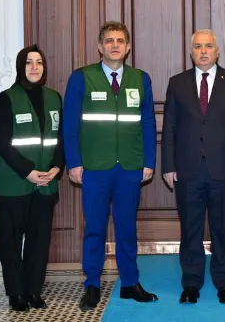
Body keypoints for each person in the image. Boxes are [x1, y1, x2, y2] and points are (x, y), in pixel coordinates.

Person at [62, 21, 159, 311]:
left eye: (120, 41)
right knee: (95, 227)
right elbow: (70, 124)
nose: (114, 45)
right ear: (99, 46)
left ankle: (130, 282)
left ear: (128, 47)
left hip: (129, 167)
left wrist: (148, 162)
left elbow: (148, 123)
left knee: (127, 227)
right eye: (109, 40)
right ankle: (92, 284)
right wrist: (74, 162)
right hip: (94, 167)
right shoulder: (81, 78)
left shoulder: (141, 79)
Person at [162, 29, 225, 304]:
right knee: (190, 229)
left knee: (223, 229)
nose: (203, 51)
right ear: (191, 52)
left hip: (224, 169)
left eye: (208, 46)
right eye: (198, 46)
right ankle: (191, 283)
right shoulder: (177, 83)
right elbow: (169, 128)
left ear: (217, 51)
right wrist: (168, 166)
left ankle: (224, 282)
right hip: (187, 170)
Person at [0, 45, 64, 312]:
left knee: (39, 241)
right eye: (29, 62)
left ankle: (33, 291)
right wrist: (28, 172)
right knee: (10, 243)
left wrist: (57, 168)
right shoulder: (6, 99)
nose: (35, 67)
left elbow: (61, 139)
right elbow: (2, 142)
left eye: (39, 62)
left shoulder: (54, 98)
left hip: (45, 185)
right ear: (21, 67)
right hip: (13, 184)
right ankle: (16, 293)